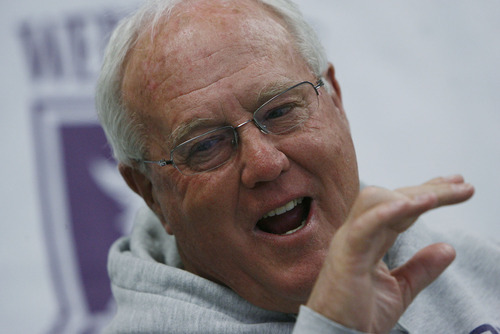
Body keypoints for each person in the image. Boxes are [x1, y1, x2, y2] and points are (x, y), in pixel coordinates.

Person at [95, 0, 500, 333]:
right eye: (206, 145)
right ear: (151, 194)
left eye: (282, 109)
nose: (265, 164)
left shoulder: (479, 272)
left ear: (336, 99)